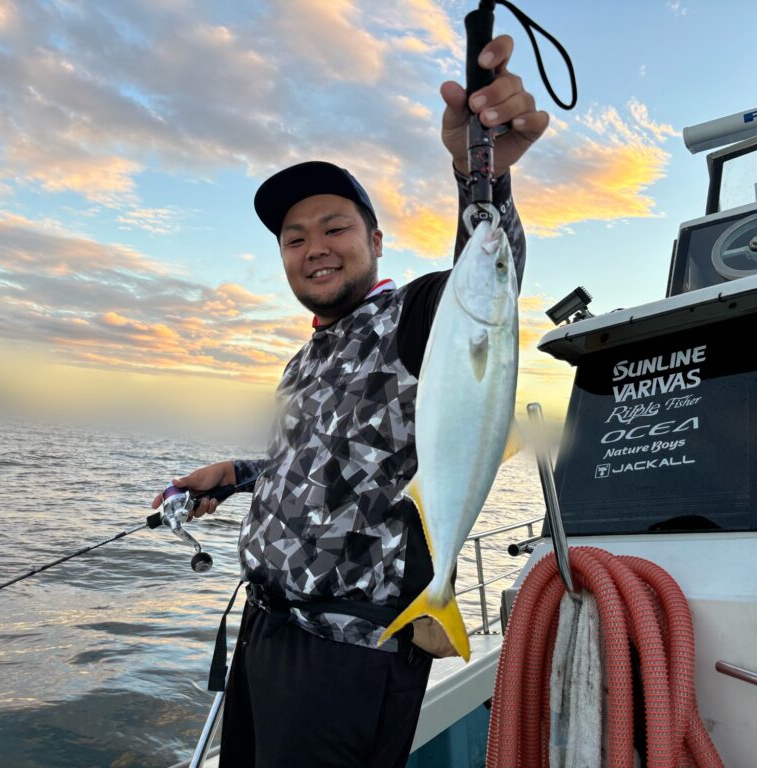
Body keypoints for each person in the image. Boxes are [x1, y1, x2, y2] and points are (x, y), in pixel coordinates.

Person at [152, 35, 547, 768]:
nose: (315, 247)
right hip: (266, 634)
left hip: (351, 656)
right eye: (294, 238)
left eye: (335, 227)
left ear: (376, 240)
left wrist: (480, 175)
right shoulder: (305, 359)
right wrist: (236, 475)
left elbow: (489, 275)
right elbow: (316, 464)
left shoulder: (416, 319)